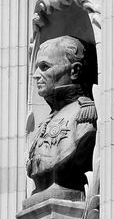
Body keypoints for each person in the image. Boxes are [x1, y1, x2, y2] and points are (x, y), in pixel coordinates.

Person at [26, 36, 96, 197]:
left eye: (45, 67)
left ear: (75, 71)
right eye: (37, 68)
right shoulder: (46, 121)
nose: (36, 75)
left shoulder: (83, 116)